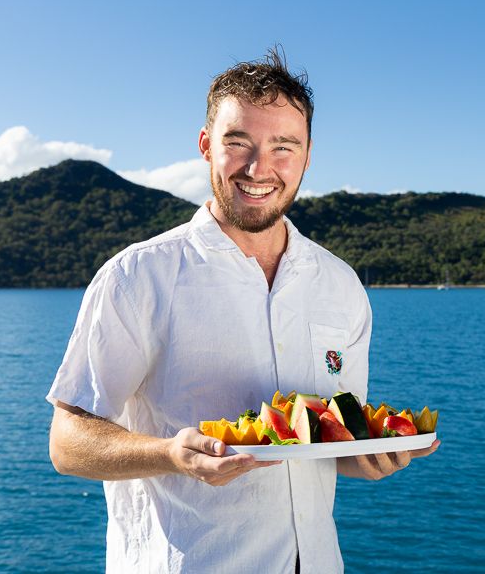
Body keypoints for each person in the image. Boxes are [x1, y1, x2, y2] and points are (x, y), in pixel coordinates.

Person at [47, 48, 439, 573]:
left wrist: (369, 459)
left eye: (283, 147)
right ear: (207, 146)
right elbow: (67, 444)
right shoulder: (138, 277)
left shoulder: (340, 284)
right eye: (239, 143)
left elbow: (330, 442)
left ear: (306, 155)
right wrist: (169, 454)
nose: (260, 169)